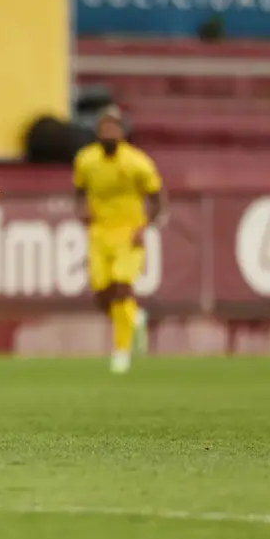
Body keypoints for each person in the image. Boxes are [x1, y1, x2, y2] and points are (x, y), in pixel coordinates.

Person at [73, 105, 165, 374]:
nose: (109, 132)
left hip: (128, 234)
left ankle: (121, 353)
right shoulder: (86, 160)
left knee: (122, 288)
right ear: (98, 132)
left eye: (114, 128)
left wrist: (144, 226)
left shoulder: (138, 162)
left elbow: (158, 200)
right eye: (104, 128)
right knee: (103, 296)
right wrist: (83, 211)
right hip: (99, 234)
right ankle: (135, 317)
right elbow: (79, 190)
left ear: (122, 132)